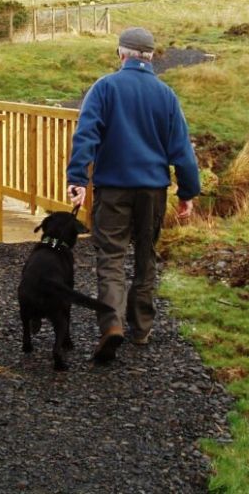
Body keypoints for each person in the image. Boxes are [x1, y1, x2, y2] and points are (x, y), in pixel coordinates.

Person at [66, 26, 200, 363]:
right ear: (151, 57)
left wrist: (78, 178)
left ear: (121, 54)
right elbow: (182, 150)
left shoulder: (104, 88)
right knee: (145, 255)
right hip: (153, 190)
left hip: (113, 189)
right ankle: (141, 328)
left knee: (111, 256)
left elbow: (86, 134)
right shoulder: (166, 95)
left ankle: (112, 324)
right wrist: (187, 192)